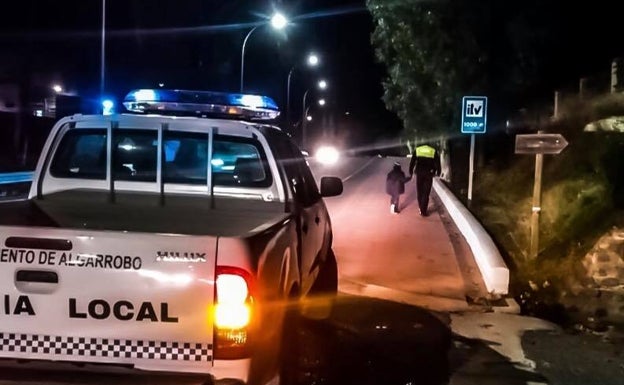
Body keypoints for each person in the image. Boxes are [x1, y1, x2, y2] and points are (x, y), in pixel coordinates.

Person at [409, 143, 441, 216]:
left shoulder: (418, 150)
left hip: (419, 173)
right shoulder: (433, 151)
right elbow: (437, 163)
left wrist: (410, 171)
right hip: (429, 173)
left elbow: (412, 162)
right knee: (426, 192)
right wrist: (438, 172)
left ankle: (421, 207)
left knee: (419, 191)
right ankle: (423, 211)